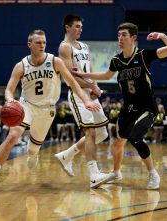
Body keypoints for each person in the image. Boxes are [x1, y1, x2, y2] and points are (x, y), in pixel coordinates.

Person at [0, 29, 100, 189]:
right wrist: (10, 100)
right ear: (29, 44)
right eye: (38, 42)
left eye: (44, 42)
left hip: (47, 110)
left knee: (34, 147)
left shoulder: (55, 61)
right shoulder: (21, 65)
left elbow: (72, 82)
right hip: (26, 105)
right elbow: (9, 89)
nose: (42, 45)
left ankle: (33, 153)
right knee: (13, 136)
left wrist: (85, 100)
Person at [73, 22, 167, 189]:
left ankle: (153, 174)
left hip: (147, 108)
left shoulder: (144, 56)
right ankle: (116, 172)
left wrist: (162, 36)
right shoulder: (117, 60)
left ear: (133, 38)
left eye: (124, 35)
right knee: (118, 142)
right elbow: (106, 75)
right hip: (128, 108)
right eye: (119, 35)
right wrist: (82, 74)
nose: (120, 38)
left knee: (135, 137)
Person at [54, 14, 114, 189]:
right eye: (77, 26)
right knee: (91, 133)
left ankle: (67, 155)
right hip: (78, 94)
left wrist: (96, 87)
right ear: (67, 27)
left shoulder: (85, 46)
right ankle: (94, 175)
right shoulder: (64, 47)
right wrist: (90, 87)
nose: (80, 29)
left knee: (102, 134)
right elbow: (70, 77)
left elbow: (90, 70)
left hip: (90, 91)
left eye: (81, 26)